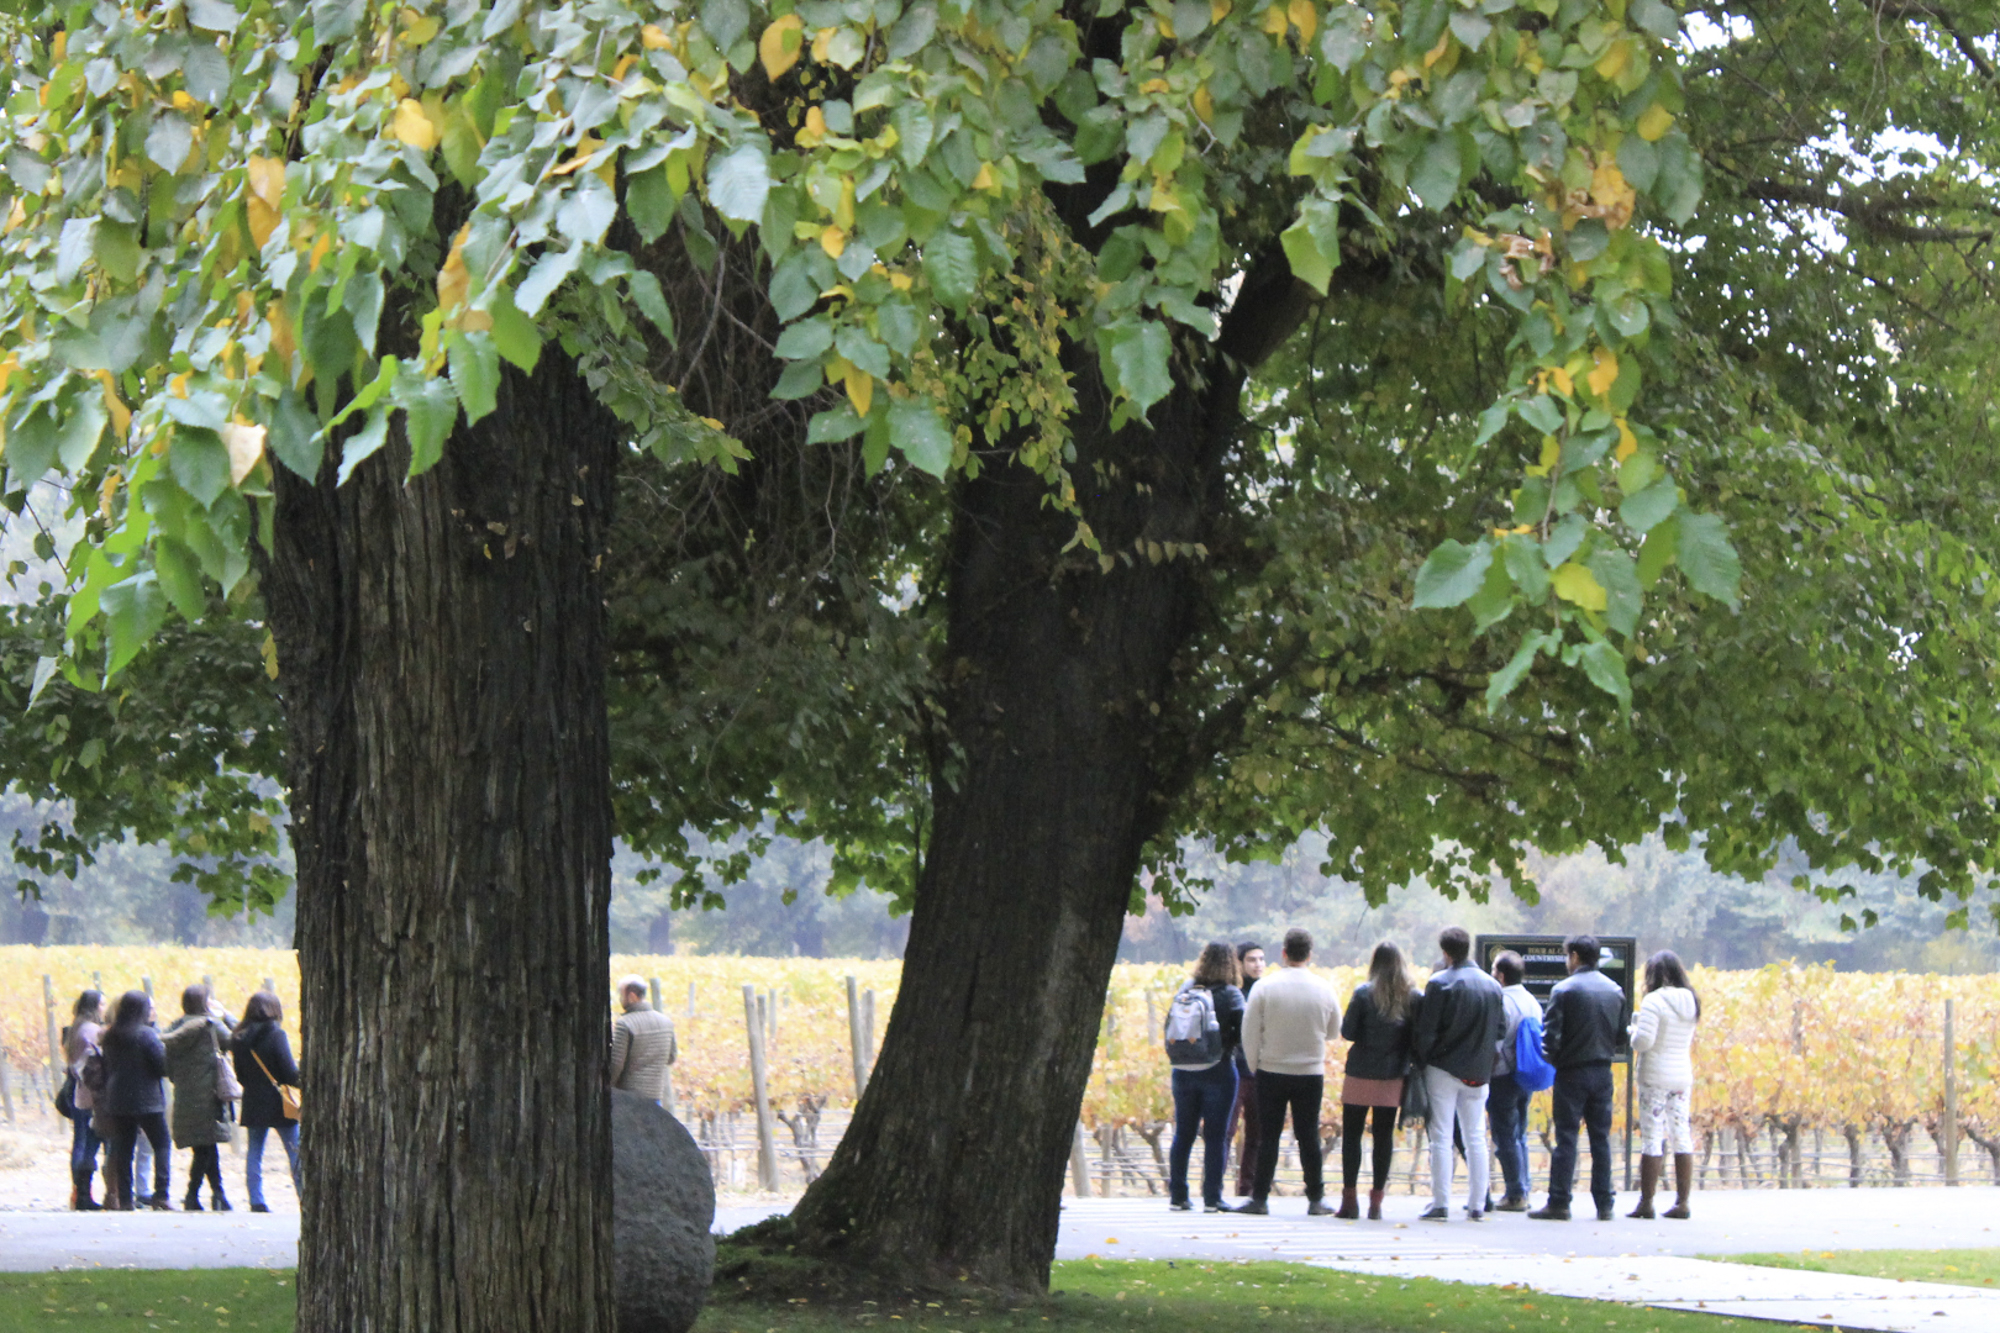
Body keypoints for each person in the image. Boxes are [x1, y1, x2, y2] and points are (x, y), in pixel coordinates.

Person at [1237, 927, 1340, 1216]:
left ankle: (1259, 1198)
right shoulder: (1324, 988)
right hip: (1310, 1071)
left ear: (1283, 953)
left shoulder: (1265, 987)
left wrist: (1256, 1064)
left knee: (1268, 1136)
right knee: (1308, 1134)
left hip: (1271, 1070)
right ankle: (1316, 1198)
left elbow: (1249, 1032)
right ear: (1310, 954)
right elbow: (1333, 1032)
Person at [1408, 927, 1504, 1221]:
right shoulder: (1492, 986)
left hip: (1443, 1069)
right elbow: (1500, 1030)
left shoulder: (1440, 984)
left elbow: (1427, 1031)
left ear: (1445, 953)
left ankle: (1441, 1202)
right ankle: (1477, 1204)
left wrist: (1420, 1061)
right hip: (1479, 1072)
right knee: (1476, 1136)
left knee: (1441, 1136)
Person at [1531, 934, 1628, 1222]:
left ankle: (1560, 1201)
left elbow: (1550, 1038)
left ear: (1574, 956)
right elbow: (1622, 1036)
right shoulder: (1615, 991)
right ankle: (1604, 1203)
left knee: (1566, 1138)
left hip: (1571, 1071)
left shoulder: (1564, 990)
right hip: (1602, 1071)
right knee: (1600, 1138)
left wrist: (1556, 1060)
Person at [1335, 942, 1414, 1219]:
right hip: (1392, 1074)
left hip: (1360, 1072)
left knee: (1351, 1137)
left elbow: (1348, 1031)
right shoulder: (1411, 996)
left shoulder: (1363, 993)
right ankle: (1376, 1202)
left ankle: (1349, 1200)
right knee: (1383, 1138)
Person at [1165, 942, 1246, 1212]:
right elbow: (1243, 1029)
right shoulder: (1231, 993)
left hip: (1183, 1069)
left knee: (1183, 1133)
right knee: (1215, 1135)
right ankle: (1212, 1197)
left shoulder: (1186, 989)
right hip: (1218, 1069)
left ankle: (1178, 1195)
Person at [1628, 950, 1700, 1220]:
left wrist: (1632, 1032)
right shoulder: (1691, 1001)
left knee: (1652, 1137)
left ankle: (1646, 1202)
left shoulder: (1653, 1001)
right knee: (1681, 1133)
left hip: (1655, 1075)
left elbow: (1644, 1042)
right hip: (1681, 1074)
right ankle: (1683, 1202)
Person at [162, 984, 236, 1212]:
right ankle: (193, 1194)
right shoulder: (212, 1026)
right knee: (206, 1146)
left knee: (204, 1146)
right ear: (206, 1003)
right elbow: (236, 1040)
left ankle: (217, 1194)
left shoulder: (175, 1028)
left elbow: (167, 1066)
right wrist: (225, 1015)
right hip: (210, 1096)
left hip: (185, 1094)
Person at [98, 990, 171, 1210]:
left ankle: (126, 1199)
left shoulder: (110, 1035)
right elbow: (163, 1066)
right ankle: (161, 1194)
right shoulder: (147, 1035)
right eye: (149, 1008)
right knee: (162, 1144)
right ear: (141, 1010)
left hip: (118, 1099)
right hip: (148, 1099)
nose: (152, 1012)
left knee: (124, 1150)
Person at [233, 991, 301, 1213]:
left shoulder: (239, 1037)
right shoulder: (276, 1035)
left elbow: (240, 1075)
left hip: (253, 1101)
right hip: (280, 1102)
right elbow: (289, 1073)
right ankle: (304, 1195)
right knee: (295, 1150)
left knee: (254, 1151)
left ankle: (256, 1200)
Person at [1487, 950, 1541, 1212]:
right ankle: (1524, 1186)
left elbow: (1496, 1045)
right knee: (1520, 1133)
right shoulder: (1532, 1001)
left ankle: (1515, 1193)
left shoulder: (1501, 1002)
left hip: (1503, 1077)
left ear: (1501, 975)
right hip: (1524, 1076)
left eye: (1494, 970)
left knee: (1505, 1135)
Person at [60, 989, 105, 1211]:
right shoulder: (92, 1030)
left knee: (79, 1140)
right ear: (95, 1006)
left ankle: (78, 1192)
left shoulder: (75, 1028)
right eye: (102, 1004)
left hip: (76, 1090)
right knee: (89, 1143)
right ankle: (83, 1193)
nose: (104, 1008)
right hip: (89, 1093)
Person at [1228, 941, 1266, 1198]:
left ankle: (1248, 1189)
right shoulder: (1233, 993)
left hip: (1260, 1070)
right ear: (1240, 963)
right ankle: (1214, 1187)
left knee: (1257, 1134)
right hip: (1235, 1070)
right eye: (1252, 959)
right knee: (1226, 1132)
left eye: (1262, 959)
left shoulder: (1267, 991)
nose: (1258, 964)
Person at [608, 976, 678, 1105]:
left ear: (632, 996)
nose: (620, 999)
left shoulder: (625, 1023)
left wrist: (607, 1087)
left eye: (621, 995)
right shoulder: (666, 1022)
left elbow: (617, 1064)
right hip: (655, 1098)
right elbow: (671, 1057)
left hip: (628, 1097)